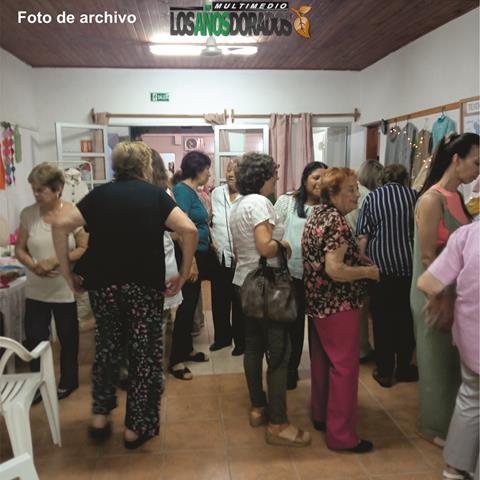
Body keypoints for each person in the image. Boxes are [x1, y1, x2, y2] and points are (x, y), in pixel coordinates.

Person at [51, 141, 198, 449]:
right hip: (144, 286)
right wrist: (183, 274)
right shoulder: (155, 195)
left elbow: (61, 225)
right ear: (145, 165)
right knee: (144, 355)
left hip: (104, 286)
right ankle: (135, 428)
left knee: (107, 348)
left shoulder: (100, 194)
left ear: (116, 166)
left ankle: (100, 416)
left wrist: (66, 272)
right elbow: (189, 230)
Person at [230, 152, 311, 447]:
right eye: (273, 175)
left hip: (243, 281)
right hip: (266, 286)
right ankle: (278, 424)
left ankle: (258, 407)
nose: (276, 179)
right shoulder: (260, 203)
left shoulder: (238, 204)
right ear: (262, 177)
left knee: (253, 347)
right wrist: (284, 244)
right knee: (279, 354)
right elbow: (265, 247)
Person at [302, 167, 380, 453]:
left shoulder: (317, 214)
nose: (357, 195)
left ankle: (322, 416)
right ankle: (342, 436)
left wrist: (356, 257)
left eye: (356, 188)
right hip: (338, 305)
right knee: (345, 369)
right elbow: (334, 270)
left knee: (323, 363)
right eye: (350, 190)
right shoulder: (336, 221)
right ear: (332, 193)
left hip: (318, 302)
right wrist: (368, 272)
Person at [410, 132, 479, 446]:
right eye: (476, 163)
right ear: (456, 159)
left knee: (453, 364)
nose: (478, 171)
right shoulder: (431, 200)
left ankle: (452, 425)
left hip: (453, 291)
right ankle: (433, 425)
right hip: (432, 292)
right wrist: (446, 291)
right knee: (435, 362)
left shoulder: (459, 199)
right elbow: (427, 256)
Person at [15, 163, 88, 401]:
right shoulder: (28, 214)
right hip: (36, 289)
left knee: (68, 336)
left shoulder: (72, 213)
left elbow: (83, 247)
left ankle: (69, 380)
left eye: (41, 190)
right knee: (35, 337)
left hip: (64, 288)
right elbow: (19, 249)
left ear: (57, 189)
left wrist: (56, 260)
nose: (36, 194)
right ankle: (37, 383)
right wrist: (34, 264)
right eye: (34, 189)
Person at [417, 222, 479, 480]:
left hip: (471, 338)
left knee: (470, 398)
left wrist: (445, 298)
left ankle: (454, 468)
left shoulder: (469, 234)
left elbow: (427, 282)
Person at [357, 164, 418, 388]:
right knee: (405, 318)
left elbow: (363, 233)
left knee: (382, 320)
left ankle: (384, 371)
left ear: (383, 178)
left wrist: (362, 256)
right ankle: (403, 368)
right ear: (405, 178)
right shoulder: (414, 196)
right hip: (408, 265)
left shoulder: (372, 198)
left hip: (379, 267)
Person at [274, 161, 328, 389]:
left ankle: (320, 371)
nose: (320, 182)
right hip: (292, 275)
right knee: (293, 326)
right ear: (305, 179)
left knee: (319, 327)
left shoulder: (329, 207)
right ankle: (291, 369)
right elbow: (275, 233)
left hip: (321, 278)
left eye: (324, 178)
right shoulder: (288, 202)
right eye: (316, 177)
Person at [170, 150, 212, 380]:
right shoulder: (182, 191)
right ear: (198, 170)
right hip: (191, 255)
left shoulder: (192, 191)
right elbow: (181, 229)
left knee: (192, 303)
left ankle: (186, 349)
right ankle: (176, 360)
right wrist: (191, 261)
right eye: (207, 169)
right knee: (186, 308)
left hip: (201, 252)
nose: (209, 173)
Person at [346, 159, 384, 362]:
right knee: (362, 304)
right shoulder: (369, 196)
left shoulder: (351, 192)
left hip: (345, 250)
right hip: (360, 252)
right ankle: (361, 348)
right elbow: (365, 232)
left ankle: (355, 346)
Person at [210, 159, 244, 355]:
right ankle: (222, 338)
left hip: (242, 258)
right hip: (220, 256)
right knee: (219, 300)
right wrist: (211, 238)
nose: (230, 174)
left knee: (239, 301)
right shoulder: (216, 193)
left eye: (235, 170)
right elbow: (208, 218)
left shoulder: (248, 195)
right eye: (228, 170)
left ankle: (241, 341)